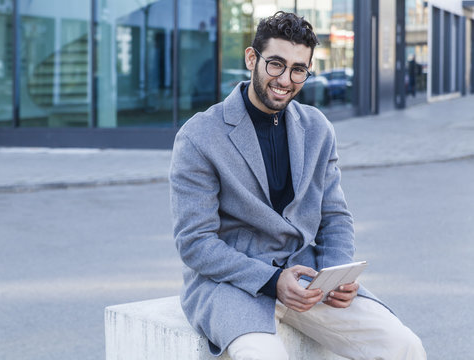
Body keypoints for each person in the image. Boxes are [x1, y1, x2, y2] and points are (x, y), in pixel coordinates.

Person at [169, 11, 426, 360]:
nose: (285, 79)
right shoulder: (200, 135)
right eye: (275, 64)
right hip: (233, 285)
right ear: (251, 58)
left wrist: (336, 274)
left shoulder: (318, 127)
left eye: (298, 69)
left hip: (310, 281)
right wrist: (273, 281)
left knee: (404, 346)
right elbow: (195, 243)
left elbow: (335, 217)